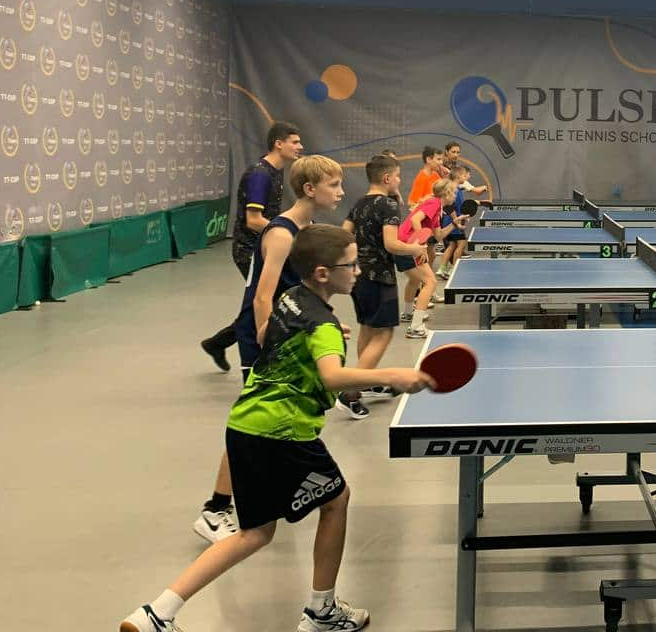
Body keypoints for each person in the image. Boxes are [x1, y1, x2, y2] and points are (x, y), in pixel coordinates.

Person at [121, 225, 435, 632]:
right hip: (283, 432)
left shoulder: (291, 299)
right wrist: (396, 375)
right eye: (350, 265)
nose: (357, 271)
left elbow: (268, 332)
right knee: (336, 500)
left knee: (254, 533)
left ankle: (156, 613)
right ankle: (322, 611)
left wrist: (316, 338)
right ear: (323, 273)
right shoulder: (321, 323)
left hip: (245, 423)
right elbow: (331, 379)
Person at [194, 155, 345, 545]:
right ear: (310, 189)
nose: (341, 192)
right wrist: (265, 334)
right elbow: (263, 295)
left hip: (286, 329)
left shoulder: (309, 229)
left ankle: (246, 498)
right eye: (334, 185)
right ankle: (215, 509)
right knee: (251, 417)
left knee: (264, 417)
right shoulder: (282, 233)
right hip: (260, 334)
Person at [200, 121, 303, 371]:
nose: (300, 147)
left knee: (268, 302)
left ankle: (218, 343)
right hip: (249, 250)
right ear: (279, 144)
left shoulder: (276, 172)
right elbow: (254, 220)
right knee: (263, 302)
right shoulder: (260, 174)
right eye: (295, 142)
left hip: (265, 247)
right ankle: (252, 358)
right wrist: (285, 234)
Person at [335, 153, 427, 419]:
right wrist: (415, 248)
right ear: (387, 178)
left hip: (358, 275)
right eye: (397, 176)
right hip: (379, 277)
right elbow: (391, 244)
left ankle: (365, 382)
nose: (399, 180)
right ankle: (350, 392)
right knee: (384, 333)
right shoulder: (387, 205)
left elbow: (344, 233)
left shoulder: (360, 203)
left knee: (368, 327)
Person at [399, 178, 466, 338]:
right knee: (431, 282)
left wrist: (454, 224)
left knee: (415, 280)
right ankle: (416, 327)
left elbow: (439, 235)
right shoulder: (434, 203)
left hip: (402, 242)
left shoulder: (437, 209)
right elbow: (415, 220)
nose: (456, 195)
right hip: (409, 244)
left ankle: (408, 314)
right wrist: (420, 243)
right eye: (454, 192)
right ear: (447, 193)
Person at [438, 163, 474, 279]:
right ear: (459, 177)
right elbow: (451, 208)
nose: (467, 178)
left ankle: (442, 268)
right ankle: (453, 270)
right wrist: (457, 222)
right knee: (461, 244)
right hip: (453, 223)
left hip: (447, 222)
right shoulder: (455, 191)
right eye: (465, 176)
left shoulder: (455, 188)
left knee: (452, 245)